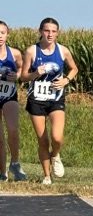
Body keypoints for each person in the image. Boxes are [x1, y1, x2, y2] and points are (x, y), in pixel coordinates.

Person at [20, 17, 78, 185]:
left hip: (56, 98)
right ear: (40, 32)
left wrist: (66, 80)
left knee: (57, 137)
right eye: (46, 30)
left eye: (53, 31)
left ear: (57, 33)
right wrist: (35, 73)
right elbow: (23, 77)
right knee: (43, 140)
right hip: (36, 100)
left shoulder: (63, 51)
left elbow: (74, 68)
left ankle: (56, 155)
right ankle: (47, 176)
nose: (50, 34)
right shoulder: (32, 51)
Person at [0, 21, 28, 182]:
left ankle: (15, 163)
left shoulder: (15, 53)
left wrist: (16, 76)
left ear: (7, 34)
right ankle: (2, 173)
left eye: (2, 33)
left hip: (9, 95)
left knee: (13, 130)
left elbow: (23, 70)